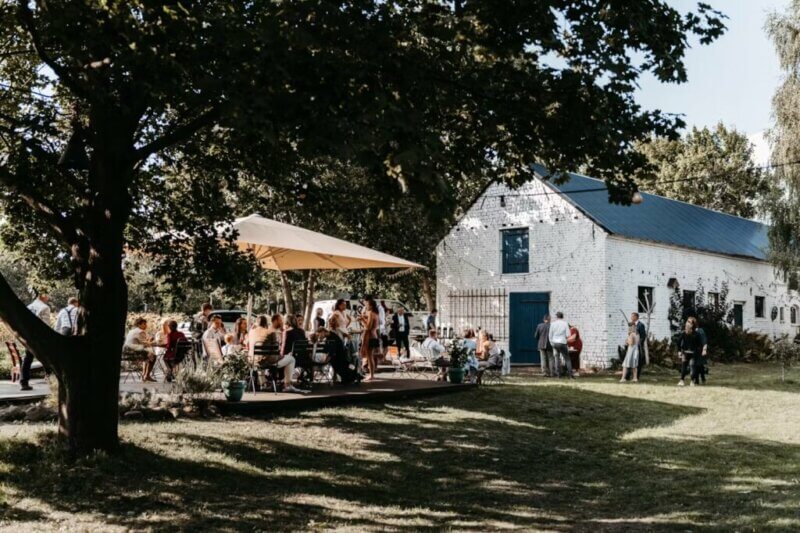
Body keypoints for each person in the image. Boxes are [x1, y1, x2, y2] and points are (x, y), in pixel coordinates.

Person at [19, 292, 50, 391]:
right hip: (39, 337)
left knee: (27, 359)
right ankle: (50, 378)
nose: (48, 297)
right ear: (43, 296)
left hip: (28, 336)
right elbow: (45, 326)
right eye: (47, 295)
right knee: (48, 357)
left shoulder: (29, 306)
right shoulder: (45, 307)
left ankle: (24, 382)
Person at [124, 317, 157, 382]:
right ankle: (147, 375)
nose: (146, 325)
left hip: (126, 353)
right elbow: (145, 344)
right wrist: (154, 342)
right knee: (153, 356)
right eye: (144, 324)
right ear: (139, 325)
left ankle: (144, 375)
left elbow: (142, 342)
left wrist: (148, 342)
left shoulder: (132, 331)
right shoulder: (140, 331)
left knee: (148, 355)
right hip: (133, 353)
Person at [359, 298, 381, 381]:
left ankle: (371, 375)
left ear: (371, 306)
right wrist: (364, 318)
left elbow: (368, 327)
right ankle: (371, 374)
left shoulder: (371, 313)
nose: (366, 306)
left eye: (367, 305)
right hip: (374, 336)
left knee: (369, 357)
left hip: (370, 337)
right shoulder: (375, 313)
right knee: (370, 356)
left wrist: (362, 319)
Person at [676, 320, 703, 386]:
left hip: (693, 353)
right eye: (686, 328)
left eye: (688, 328)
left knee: (692, 366)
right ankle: (682, 380)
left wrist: (698, 351)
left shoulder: (696, 334)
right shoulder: (683, 333)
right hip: (685, 352)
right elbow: (678, 342)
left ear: (692, 327)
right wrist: (679, 351)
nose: (687, 330)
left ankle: (692, 381)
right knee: (684, 366)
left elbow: (700, 344)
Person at [548, 311, 573, 378]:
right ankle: (570, 375)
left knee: (556, 358)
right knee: (567, 358)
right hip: (562, 342)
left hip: (555, 343)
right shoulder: (565, 323)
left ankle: (558, 375)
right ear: (562, 317)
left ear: (557, 317)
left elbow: (550, 335)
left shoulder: (552, 324)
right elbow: (568, 335)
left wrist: (551, 343)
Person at [688, 317, 709, 384]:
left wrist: (704, 349)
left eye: (689, 322)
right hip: (693, 351)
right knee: (695, 365)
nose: (687, 323)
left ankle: (702, 378)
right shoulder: (689, 331)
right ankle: (696, 380)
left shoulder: (700, 331)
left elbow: (704, 341)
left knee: (699, 365)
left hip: (700, 350)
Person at [631, 312, 647, 377]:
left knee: (638, 361)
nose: (631, 318)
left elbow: (643, 336)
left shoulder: (641, 325)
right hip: (631, 345)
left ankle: (637, 376)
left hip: (638, 346)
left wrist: (639, 343)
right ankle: (629, 375)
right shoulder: (632, 325)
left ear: (636, 317)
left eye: (632, 316)